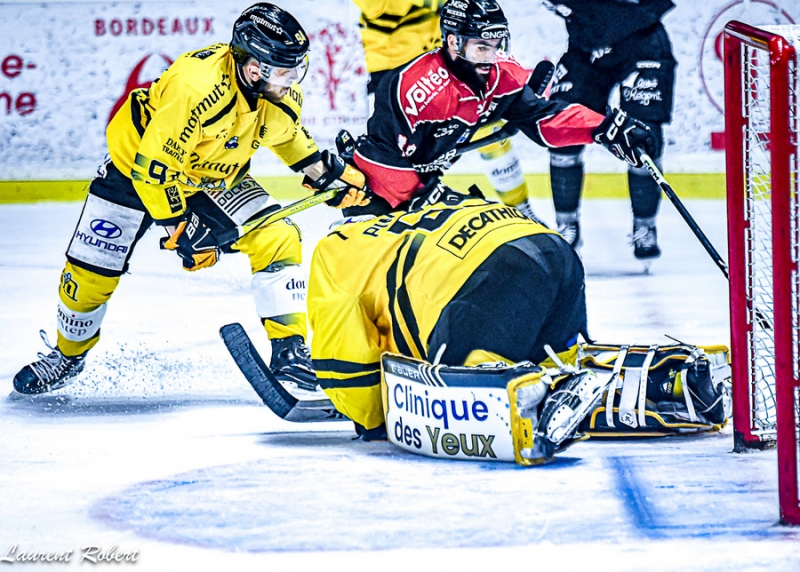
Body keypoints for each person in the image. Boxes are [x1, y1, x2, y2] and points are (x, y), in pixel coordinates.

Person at [12, 3, 368, 395]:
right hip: (133, 172)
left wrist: (324, 174)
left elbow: (285, 135)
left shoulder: (278, 94)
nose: (293, 80)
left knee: (278, 235)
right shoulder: (196, 86)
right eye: (284, 70)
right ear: (253, 67)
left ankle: (290, 351)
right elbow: (154, 169)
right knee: (89, 274)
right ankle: (66, 356)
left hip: (211, 176)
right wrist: (180, 230)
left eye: (296, 69)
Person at [307, 186, 588, 439]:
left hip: (493, 273)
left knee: (459, 400)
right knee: (556, 361)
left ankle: (518, 394)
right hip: (556, 250)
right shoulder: (435, 211)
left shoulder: (339, 246)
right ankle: (573, 381)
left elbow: (341, 352)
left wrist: (371, 420)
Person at [348, 0, 658, 221]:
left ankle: (519, 207)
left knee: (494, 140)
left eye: (495, 44)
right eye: (485, 46)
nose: (492, 55)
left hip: (449, 55)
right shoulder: (416, 90)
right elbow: (382, 157)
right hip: (393, 65)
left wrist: (602, 128)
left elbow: (542, 116)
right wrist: (421, 193)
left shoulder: (494, 70)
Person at [351, 0, 546, 224]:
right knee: (399, 160)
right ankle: (395, 227)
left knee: (491, 134)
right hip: (397, 67)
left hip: (442, 55)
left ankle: (521, 210)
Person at [543, 0, 676, 261]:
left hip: (643, 42)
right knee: (563, 129)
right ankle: (567, 225)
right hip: (586, 46)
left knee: (643, 137)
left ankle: (645, 226)